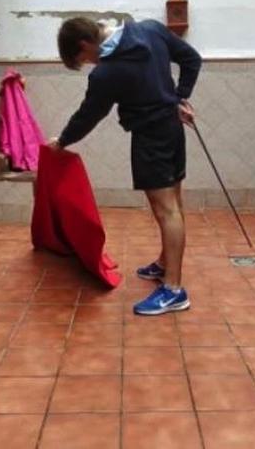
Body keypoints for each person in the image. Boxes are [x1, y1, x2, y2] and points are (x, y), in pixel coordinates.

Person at [47, 17, 201, 316]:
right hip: (172, 128)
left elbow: (89, 115)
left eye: (84, 60)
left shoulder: (107, 72)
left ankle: (173, 290)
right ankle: (165, 263)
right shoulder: (150, 29)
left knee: (165, 209)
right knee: (175, 203)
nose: (90, 64)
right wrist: (180, 97)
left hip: (150, 138)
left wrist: (63, 141)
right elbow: (191, 59)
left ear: (85, 45)